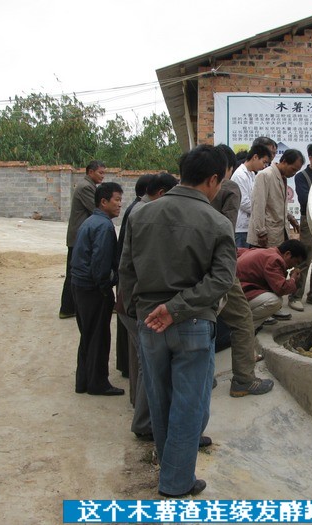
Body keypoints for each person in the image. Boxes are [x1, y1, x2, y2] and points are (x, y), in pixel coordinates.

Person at [120, 144, 236, 498]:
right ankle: (175, 482)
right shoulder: (217, 222)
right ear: (212, 179)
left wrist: (141, 312)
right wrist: (176, 308)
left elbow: (126, 270)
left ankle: (169, 470)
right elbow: (222, 280)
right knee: (189, 406)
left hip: (149, 322)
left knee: (160, 401)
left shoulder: (141, 214)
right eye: (220, 181)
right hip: (194, 323)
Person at [118, 172, 179, 439]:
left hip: (133, 301)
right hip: (137, 302)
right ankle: (144, 422)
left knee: (144, 362)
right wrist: (134, 304)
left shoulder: (139, 209)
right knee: (148, 365)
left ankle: (142, 414)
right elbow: (129, 264)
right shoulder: (143, 213)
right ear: (163, 194)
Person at [212, 144, 274, 398]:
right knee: (242, 320)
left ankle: (204, 375)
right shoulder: (228, 187)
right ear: (226, 169)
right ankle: (243, 380)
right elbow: (225, 229)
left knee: (204, 321)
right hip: (219, 268)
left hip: (189, 269)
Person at [72, 182, 124, 396]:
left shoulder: (90, 221)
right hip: (93, 289)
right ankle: (98, 383)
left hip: (80, 285)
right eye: (116, 200)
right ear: (103, 202)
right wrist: (107, 286)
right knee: (99, 337)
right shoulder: (103, 226)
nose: (120, 205)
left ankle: (83, 381)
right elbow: (100, 265)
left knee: (88, 335)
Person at [115, 173, 155, 379]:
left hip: (127, 289)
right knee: (140, 354)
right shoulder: (141, 211)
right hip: (129, 289)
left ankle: (126, 371)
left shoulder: (136, 208)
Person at [59, 160, 106, 319]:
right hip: (78, 238)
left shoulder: (89, 186)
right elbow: (97, 210)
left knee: (76, 271)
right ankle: (67, 307)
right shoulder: (86, 187)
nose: (102, 176)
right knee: (74, 272)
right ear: (90, 172)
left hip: (79, 237)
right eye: (100, 173)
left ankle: (70, 307)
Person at [288, 142, 312, 312]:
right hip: (308, 220)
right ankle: (295, 296)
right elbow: (304, 199)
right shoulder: (301, 176)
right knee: (304, 259)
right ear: (310, 158)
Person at [237, 239, 306, 328]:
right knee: (275, 301)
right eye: (296, 262)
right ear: (288, 254)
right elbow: (281, 289)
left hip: (236, 290)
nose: (295, 266)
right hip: (237, 295)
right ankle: (245, 327)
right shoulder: (275, 259)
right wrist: (293, 278)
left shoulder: (269, 252)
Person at [247, 148, 304, 248]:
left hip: (279, 234)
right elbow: (258, 206)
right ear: (284, 161)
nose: (294, 173)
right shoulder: (265, 175)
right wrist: (261, 232)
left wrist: (290, 217)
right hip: (265, 237)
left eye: (296, 171)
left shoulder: (283, 177)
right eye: (293, 169)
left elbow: (278, 205)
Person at [231, 145, 272, 248]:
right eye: (264, 162)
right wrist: (260, 212)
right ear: (255, 157)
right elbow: (244, 202)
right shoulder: (240, 175)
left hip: (249, 226)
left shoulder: (252, 174)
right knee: (242, 256)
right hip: (241, 228)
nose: (264, 166)